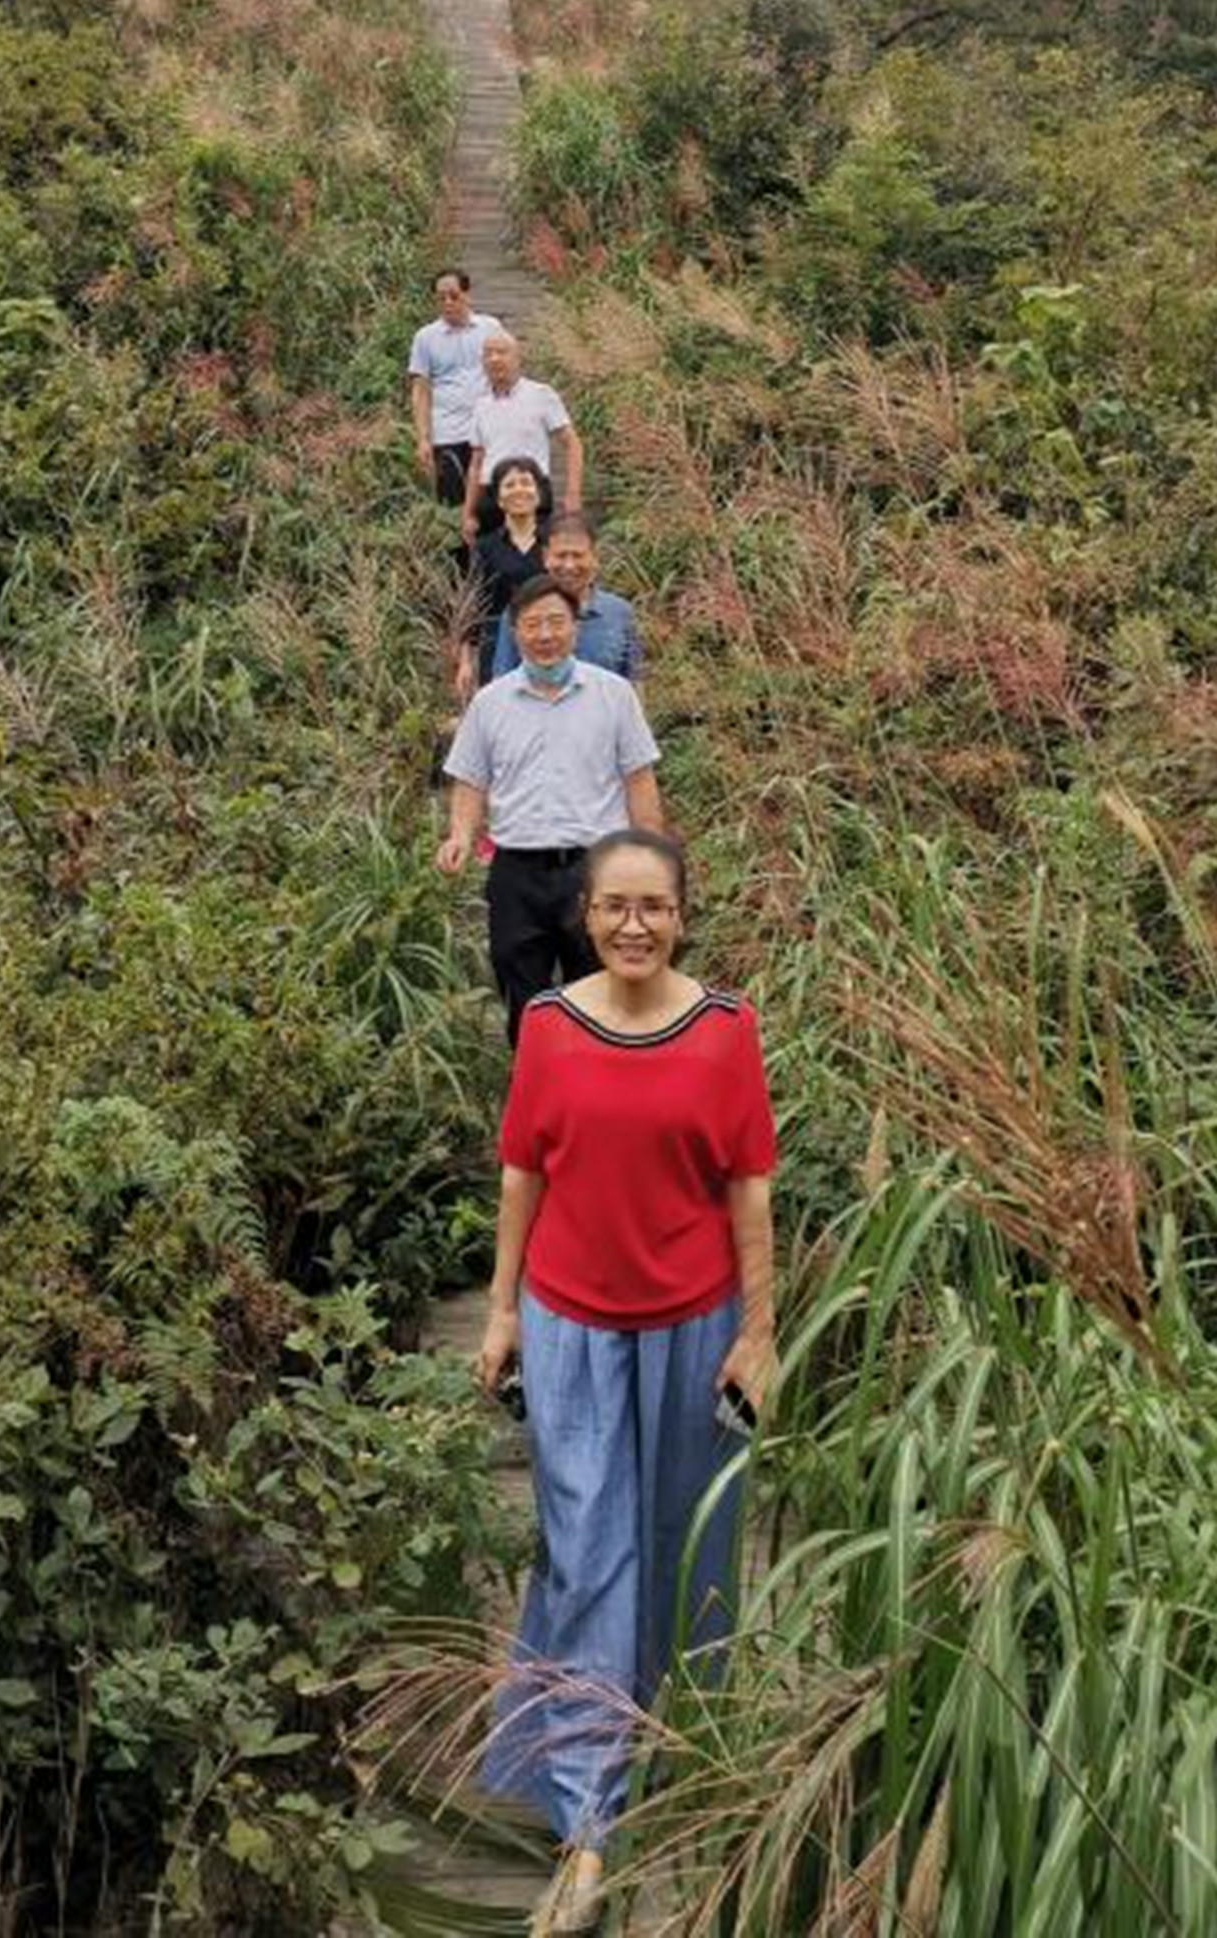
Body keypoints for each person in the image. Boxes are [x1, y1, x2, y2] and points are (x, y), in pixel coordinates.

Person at [475, 828, 777, 1932]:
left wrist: (760, 1331)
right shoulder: (550, 1027)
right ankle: (588, 1822)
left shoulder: (726, 1028)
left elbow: (749, 1187)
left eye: (654, 906)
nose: (634, 925)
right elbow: (522, 1169)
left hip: (695, 1323)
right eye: (614, 906)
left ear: (682, 915)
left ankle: (682, 1752)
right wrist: (501, 1308)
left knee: (688, 1545)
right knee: (587, 1548)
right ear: (586, 916)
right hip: (571, 1323)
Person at [437, 579, 662, 1044]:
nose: (545, 635)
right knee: (522, 994)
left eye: (556, 622)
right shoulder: (490, 703)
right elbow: (470, 780)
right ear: (515, 631)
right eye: (532, 624)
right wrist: (460, 835)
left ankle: (597, 1081)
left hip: (596, 869)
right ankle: (534, 1083)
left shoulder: (614, 695)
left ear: (575, 628)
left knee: (599, 990)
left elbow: (639, 782)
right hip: (516, 872)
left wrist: (652, 861)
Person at [489, 513, 643, 686]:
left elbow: (635, 682)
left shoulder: (620, 613)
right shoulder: (520, 611)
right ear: (545, 557)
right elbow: (502, 681)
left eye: (578, 555)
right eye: (561, 555)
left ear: (594, 557)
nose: (569, 565)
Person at [463, 332, 583, 544]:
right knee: (490, 557)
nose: (494, 358)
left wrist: (572, 494)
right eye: (488, 354)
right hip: (492, 494)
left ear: (518, 358)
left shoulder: (541, 394)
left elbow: (572, 444)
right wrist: (468, 512)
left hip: (532, 491)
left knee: (534, 557)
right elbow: (476, 463)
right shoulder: (480, 404)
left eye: (501, 352)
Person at [408, 269, 504, 506]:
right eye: (441, 298)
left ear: (467, 294)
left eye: (453, 295)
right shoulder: (425, 337)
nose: (448, 302)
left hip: (488, 430)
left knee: (492, 502)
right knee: (452, 502)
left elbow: (506, 373)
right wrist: (422, 439)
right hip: (447, 432)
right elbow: (420, 390)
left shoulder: (490, 328)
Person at [464, 458, 551, 697]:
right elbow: (473, 604)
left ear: (539, 494)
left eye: (526, 483)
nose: (519, 490)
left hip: (548, 640)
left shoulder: (554, 542)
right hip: (496, 647)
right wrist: (466, 660)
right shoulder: (484, 547)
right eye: (510, 485)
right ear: (499, 499)